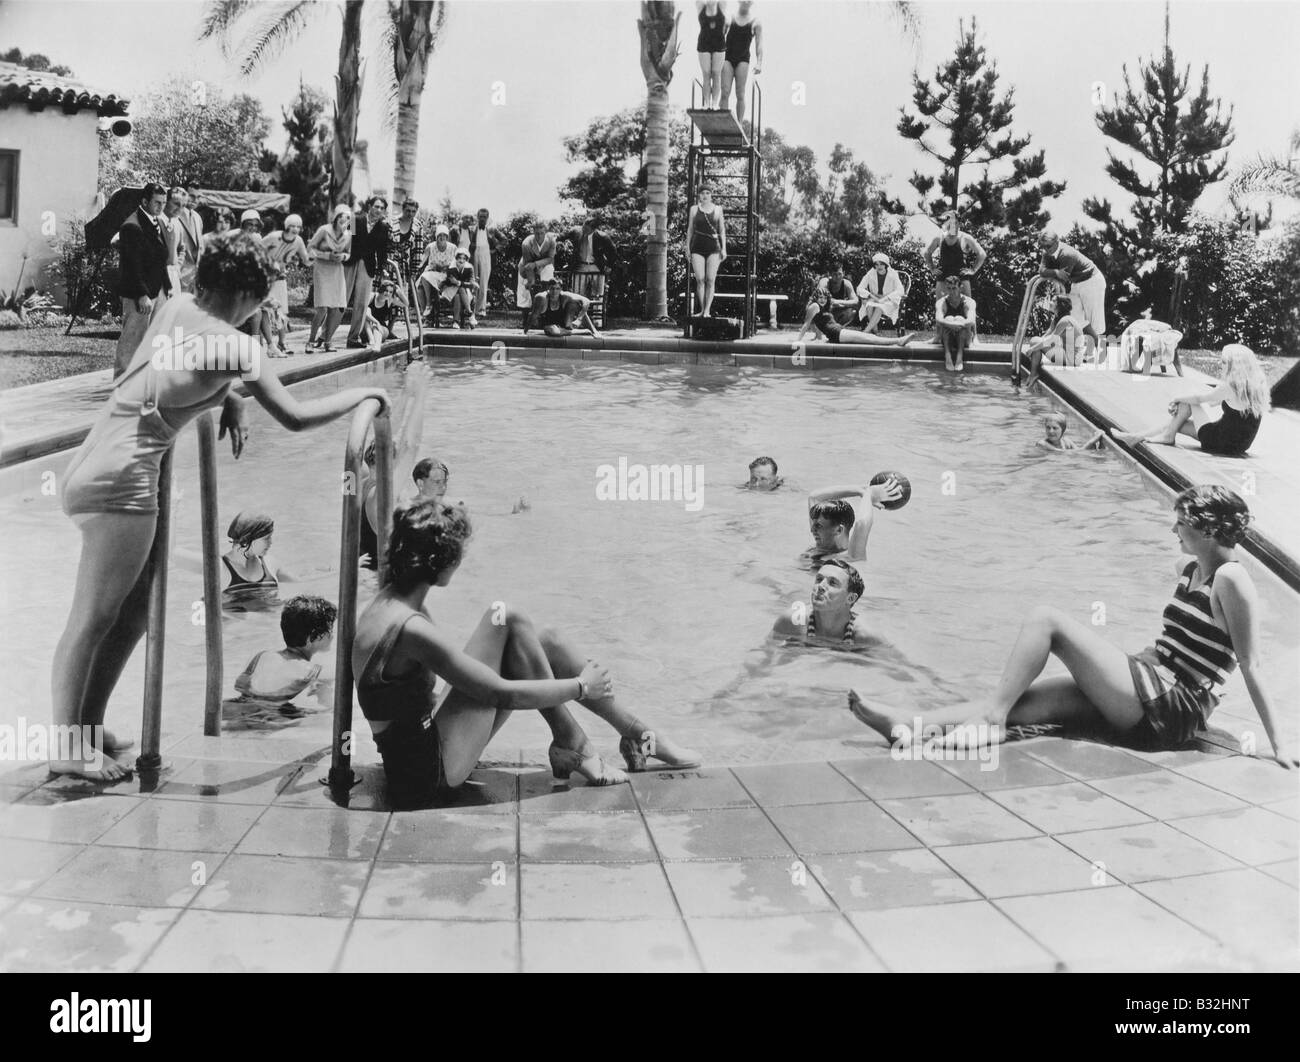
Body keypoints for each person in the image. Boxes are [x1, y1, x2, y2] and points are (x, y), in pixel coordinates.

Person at [51, 232, 390, 781]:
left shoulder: (177, 307)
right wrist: (367, 394)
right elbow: (296, 417)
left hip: (94, 465)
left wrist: (228, 399)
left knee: (133, 612)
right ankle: (66, 744)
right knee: (91, 618)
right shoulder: (241, 347)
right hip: (126, 483)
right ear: (251, 296)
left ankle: (87, 728)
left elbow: (171, 370)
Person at [849, 486, 1297, 768]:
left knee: (1047, 620)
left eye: (1182, 523)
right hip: (1147, 683)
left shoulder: (1231, 579)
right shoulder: (1191, 566)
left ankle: (988, 721)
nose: (1172, 530)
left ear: (1211, 530)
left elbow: (1250, 664)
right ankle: (907, 725)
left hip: (1170, 706)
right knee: (1019, 704)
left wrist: (1277, 745)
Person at [352, 500, 703, 807]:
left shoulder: (388, 601)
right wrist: (582, 686)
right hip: (427, 776)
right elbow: (499, 692)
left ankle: (638, 734)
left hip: (421, 743)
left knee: (542, 638)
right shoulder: (410, 629)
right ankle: (574, 743)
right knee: (510, 619)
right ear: (443, 565)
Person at [1113, 344, 1270, 457]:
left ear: (1235, 366)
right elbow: (1214, 402)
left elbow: (1199, 399)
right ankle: (1136, 437)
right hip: (1238, 445)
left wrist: (1176, 399)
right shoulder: (1256, 387)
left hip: (1218, 441)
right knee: (1177, 422)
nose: (1219, 365)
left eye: (1223, 362)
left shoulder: (1229, 387)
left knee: (1188, 402)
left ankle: (1166, 437)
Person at [231, 595, 337, 710]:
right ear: (312, 638)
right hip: (269, 721)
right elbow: (331, 707)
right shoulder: (313, 672)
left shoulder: (260, 657)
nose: (332, 635)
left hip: (235, 709)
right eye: (330, 630)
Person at [113, 183, 172, 378]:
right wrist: (141, 295)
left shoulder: (158, 222)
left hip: (158, 289)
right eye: (157, 202)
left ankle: (148, 379)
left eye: (163, 203)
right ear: (145, 201)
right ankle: (122, 380)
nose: (161, 206)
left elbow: (160, 256)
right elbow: (132, 265)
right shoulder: (132, 225)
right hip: (140, 293)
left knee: (157, 337)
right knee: (133, 338)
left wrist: (168, 286)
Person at [770, 559, 879, 648]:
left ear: (850, 598)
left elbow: (893, 668)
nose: (820, 586)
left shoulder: (865, 636)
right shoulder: (793, 621)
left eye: (832, 583)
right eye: (819, 579)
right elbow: (765, 654)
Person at [805, 475, 908, 562]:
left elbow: (862, 523)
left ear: (839, 530)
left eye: (818, 526)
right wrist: (861, 490)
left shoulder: (851, 557)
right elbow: (814, 497)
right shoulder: (821, 544)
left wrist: (869, 494)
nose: (812, 529)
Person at [1038, 229, 1106, 360]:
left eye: (1048, 246)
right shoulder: (1047, 252)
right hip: (1077, 282)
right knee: (1075, 316)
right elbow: (1041, 271)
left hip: (1091, 281)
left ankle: (1099, 352)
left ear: (1057, 242)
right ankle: (1090, 350)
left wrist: (1053, 273)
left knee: (1094, 317)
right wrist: (1056, 272)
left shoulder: (1067, 254)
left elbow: (1062, 279)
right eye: (1043, 246)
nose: (1046, 250)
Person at [261, 214, 313, 356]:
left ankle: (282, 342)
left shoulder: (298, 241)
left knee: (282, 311)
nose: (295, 229)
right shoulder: (274, 237)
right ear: (286, 226)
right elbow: (257, 249)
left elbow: (307, 261)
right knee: (265, 310)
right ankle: (269, 344)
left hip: (280, 279)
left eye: (298, 226)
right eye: (293, 226)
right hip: (264, 279)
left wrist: (314, 255)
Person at [221, 511, 297, 608]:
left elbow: (303, 584)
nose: (271, 542)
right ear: (248, 538)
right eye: (267, 538)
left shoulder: (270, 563)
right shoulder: (221, 568)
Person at [346, 195, 392, 348]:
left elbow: (382, 252)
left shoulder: (384, 228)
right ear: (369, 206)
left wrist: (383, 268)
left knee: (361, 303)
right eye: (376, 206)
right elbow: (346, 241)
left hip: (368, 266)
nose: (378, 210)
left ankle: (353, 338)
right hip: (350, 263)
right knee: (341, 301)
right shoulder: (354, 219)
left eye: (382, 208)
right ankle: (324, 336)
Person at [307, 205, 352, 352]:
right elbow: (310, 248)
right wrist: (327, 256)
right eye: (341, 217)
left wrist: (343, 257)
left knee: (335, 308)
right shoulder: (324, 230)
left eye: (347, 218)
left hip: (337, 271)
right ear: (336, 217)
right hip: (322, 270)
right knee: (322, 308)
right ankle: (310, 341)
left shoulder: (348, 234)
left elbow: (349, 253)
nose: (343, 221)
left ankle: (328, 341)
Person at [1022, 294, 1086, 388]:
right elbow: (1046, 336)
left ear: (1060, 305)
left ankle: (1034, 374)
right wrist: (1035, 347)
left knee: (1035, 343)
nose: (1050, 302)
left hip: (1072, 359)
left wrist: (1033, 348)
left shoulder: (1065, 320)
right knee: (1035, 341)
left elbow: (1052, 339)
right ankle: (1034, 372)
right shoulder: (1057, 319)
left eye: (1053, 300)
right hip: (1068, 354)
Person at [925, 211, 987, 298]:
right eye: (950, 222)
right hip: (943, 279)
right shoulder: (939, 238)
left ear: (959, 224)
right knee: (941, 308)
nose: (952, 225)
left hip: (961, 279)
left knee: (966, 307)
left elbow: (982, 254)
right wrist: (932, 268)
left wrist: (973, 270)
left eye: (955, 222)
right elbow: (927, 253)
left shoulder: (965, 238)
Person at [719, 0, 762, 126]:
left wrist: (759, 63)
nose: (746, 2)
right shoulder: (729, 18)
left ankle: (739, 125)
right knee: (725, 90)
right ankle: (723, 123)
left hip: (743, 59)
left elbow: (759, 44)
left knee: (740, 93)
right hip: (727, 57)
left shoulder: (755, 22)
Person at [686, 187, 727, 317]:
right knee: (700, 279)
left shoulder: (718, 209)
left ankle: (707, 310)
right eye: (702, 193)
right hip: (697, 246)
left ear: (711, 195)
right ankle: (703, 310)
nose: (705, 195)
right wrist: (687, 247)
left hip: (714, 247)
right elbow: (690, 229)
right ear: (699, 195)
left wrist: (724, 248)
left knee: (710, 279)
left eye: (708, 193)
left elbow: (722, 230)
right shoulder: (694, 209)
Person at [795, 262, 858, 342]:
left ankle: (837, 329)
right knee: (817, 308)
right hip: (825, 312)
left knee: (852, 311)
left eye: (840, 274)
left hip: (836, 314)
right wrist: (798, 340)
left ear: (843, 273)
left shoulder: (846, 283)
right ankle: (819, 335)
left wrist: (837, 302)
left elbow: (855, 301)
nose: (838, 277)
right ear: (830, 274)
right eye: (835, 274)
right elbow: (819, 299)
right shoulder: (825, 282)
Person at [524, 278, 598, 336]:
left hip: (564, 325)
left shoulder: (565, 296)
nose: (554, 292)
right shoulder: (542, 297)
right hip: (549, 326)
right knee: (554, 331)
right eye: (552, 288)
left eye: (557, 289)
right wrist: (525, 332)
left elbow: (586, 302)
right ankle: (581, 332)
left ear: (561, 289)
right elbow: (533, 315)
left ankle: (592, 330)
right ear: (548, 288)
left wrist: (579, 319)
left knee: (576, 305)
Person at [566, 214, 615, 301]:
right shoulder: (577, 232)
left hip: (596, 267)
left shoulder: (602, 237)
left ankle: (597, 314)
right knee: (576, 293)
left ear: (593, 229)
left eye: (586, 229)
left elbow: (613, 251)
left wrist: (609, 266)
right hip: (580, 266)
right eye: (583, 227)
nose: (583, 230)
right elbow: (564, 235)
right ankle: (577, 313)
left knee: (598, 294)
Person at [934, 275, 976, 371]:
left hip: (965, 338)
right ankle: (948, 356)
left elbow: (971, 320)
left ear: (960, 288)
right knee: (948, 318)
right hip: (948, 337)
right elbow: (938, 319)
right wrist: (951, 324)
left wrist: (958, 323)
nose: (952, 291)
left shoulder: (968, 302)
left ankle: (959, 357)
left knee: (959, 318)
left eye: (954, 288)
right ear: (945, 288)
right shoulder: (942, 302)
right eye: (949, 288)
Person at [856, 252, 905, 334]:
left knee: (879, 307)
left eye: (881, 264)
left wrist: (885, 298)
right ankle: (874, 330)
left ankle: (866, 331)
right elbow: (859, 288)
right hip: (874, 299)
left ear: (886, 265)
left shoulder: (893, 274)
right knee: (869, 305)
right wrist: (871, 295)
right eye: (876, 264)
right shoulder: (871, 273)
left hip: (889, 300)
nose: (879, 267)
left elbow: (901, 290)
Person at [516, 220, 557, 317]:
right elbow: (528, 266)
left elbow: (550, 259)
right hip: (526, 266)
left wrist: (536, 264)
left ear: (545, 232)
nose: (539, 236)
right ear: (533, 232)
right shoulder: (526, 243)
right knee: (525, 289)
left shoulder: (551, 241)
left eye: (542, 233)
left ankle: (545, 307)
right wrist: (531, 281)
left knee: (549, 270)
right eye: (537, 233)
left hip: (543, 265)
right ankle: (526, 318)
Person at [417, 225, 457, 321]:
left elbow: (456, 264)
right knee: (420, 285)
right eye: (440, 235)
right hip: (432, 273)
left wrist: (447, 268)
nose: (442, 237)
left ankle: (429, 306)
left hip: (446, 275)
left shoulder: (453, 247)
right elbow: (422, 261)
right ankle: (426, 312)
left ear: (447, 237)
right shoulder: (430, 247)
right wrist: (417, 266)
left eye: (444, 235)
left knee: (424, 278)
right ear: (436, 236)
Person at [696, 1, 728, 109]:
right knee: (706, 73)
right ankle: (706, 103)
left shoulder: (722, 6)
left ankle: (714, 103)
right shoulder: (700, 6)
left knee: (716, 73)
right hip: (704, 43)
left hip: (719, 43)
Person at [393, 198, 427, 293]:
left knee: (400, 295)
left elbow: (418, 251)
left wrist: (414, 271)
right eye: (408, 210)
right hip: (390, 262)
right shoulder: (392, 222)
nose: (410, 214)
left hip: (404, 265)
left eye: (413, 211)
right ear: (402, 209)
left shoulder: (417, 225)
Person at [444, 248, 478, 328]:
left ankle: (455, 322)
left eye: (464, 258)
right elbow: (449, 281)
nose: (461, 260)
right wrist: (457, 283)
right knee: (459, 290)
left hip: (465, 292)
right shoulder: (451, 267)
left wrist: (458, 282)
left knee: (459, 294)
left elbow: (471, 283)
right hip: (450, 290)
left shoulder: (469, 268)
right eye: (459, 258)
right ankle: (470, 314)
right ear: (456, 258)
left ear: (466, 259)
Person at [1037, 411, 1104, 452]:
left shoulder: (1066, 442)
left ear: (1062, 430)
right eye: (1048, 427)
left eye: (1055, 428)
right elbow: (1062, 453)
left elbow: (1079, 452)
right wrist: (1092, 441)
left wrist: (1093, 446)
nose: (1051, 431)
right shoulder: (1042, 444)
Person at [471, 207, 493, 315]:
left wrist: (495, 250)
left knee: (484, 281)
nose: (482, 219)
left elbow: (504, 240)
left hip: (485, 253)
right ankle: (472, 308)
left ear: (487, 218)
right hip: (475, 253)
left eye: (484, 217)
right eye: (480, 217)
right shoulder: (473, 229)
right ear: (477, 217)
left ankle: (481, 308)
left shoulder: (491, 229)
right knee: (474, 279)